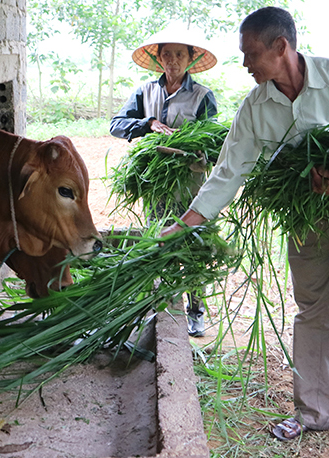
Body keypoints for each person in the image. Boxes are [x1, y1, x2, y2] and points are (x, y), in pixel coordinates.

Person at [161, 7, 329, 457]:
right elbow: (228, 172)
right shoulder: (256, 106)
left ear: (280, 47)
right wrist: (183, 225)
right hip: (304, 217)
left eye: (251, 54)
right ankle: (312, 413)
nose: (246, 64)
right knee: (312, 311)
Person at [110, 27, 219, 337]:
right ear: (159, 58)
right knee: (159, 239)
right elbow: (117, 125)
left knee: (192, 242)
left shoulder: (202, 96)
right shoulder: (144, 92)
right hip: (155, 184)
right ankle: (164, 305)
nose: (173, 60)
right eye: (167, 54)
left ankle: (195, 310)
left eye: (179, 55)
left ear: (190, 58)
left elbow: (211, 141)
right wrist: (149, 124)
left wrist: (189, 147)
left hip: (190, 183)